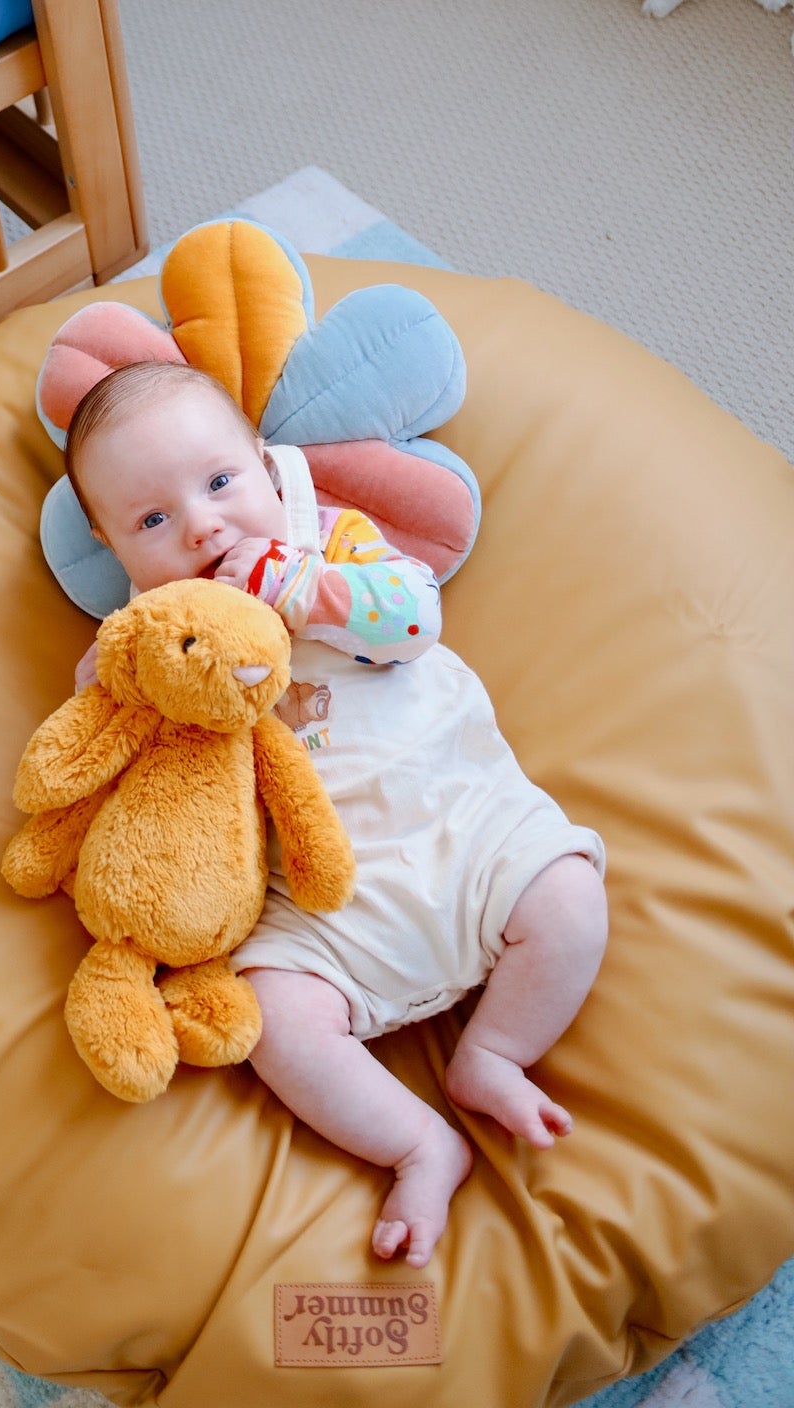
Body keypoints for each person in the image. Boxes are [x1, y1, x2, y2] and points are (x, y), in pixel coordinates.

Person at [65, 358, 607, 1271]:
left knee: (569, 899)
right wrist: (105, 686)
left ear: (268, 469)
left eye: (221, 483)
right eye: (152, 520)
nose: (201, 526)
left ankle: (494, 1055)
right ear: (112, 545)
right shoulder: (150, 636)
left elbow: (413, 620)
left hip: (460, 824)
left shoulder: (333, 540)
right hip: (320, 910)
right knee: (271, 1019)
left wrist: (310, 591)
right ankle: (419, 1144)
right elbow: (107, 742)